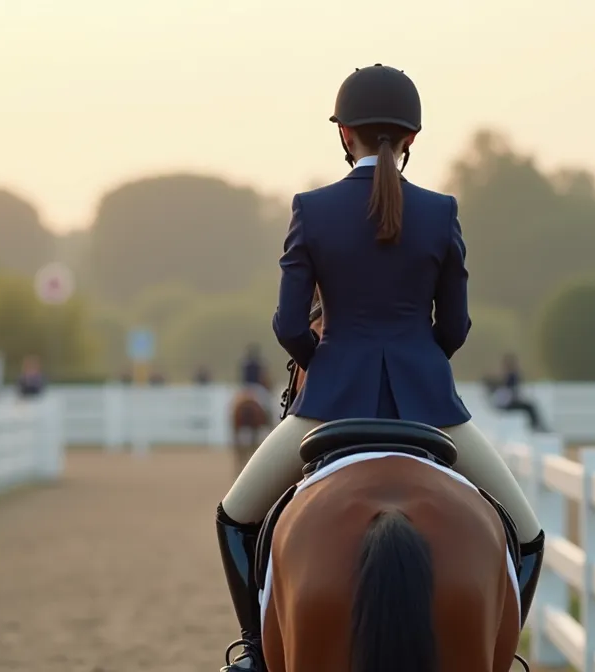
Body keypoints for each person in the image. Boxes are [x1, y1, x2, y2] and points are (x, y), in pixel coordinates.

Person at [213, 64, 545, 672]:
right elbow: (455, 329)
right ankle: (507, 658)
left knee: (235, 516)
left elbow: (289, 327)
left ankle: (255, 656)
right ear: (412, 139)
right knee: (526, 534)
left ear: (345, 135)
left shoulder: (311, 209)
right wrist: (420, 366)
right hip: (433, 412)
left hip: (328, 402)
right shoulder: (441, 211)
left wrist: (329, 366)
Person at [237, 344, 271, 415]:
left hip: (245, 387)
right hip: (257, 387)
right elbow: (262, 377)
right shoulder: (259, 364)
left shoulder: (244, 364)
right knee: (267, 404)